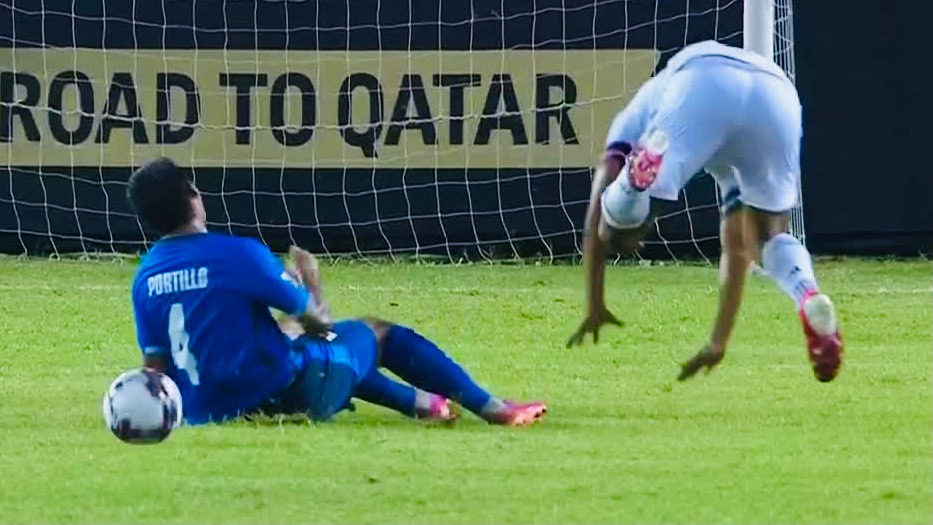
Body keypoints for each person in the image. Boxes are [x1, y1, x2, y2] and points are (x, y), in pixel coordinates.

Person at [127, 157, 547, 426]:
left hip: (204, 411)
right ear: (194, 197)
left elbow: (156, 372)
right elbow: (321, 324)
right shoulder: (237, 254)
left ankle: (421, 403)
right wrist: (311, 284)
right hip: (281, 396)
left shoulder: (145, 277)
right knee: (372, 334)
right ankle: (494, 408)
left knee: (305, 342)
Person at [566, 40, 845, 382]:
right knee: (767, 239)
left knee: (611, 228)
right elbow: (736, 251)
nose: (638, 247)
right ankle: (808, 294)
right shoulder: (730, 167)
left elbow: (595, 214)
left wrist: (594, 301)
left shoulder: (634, 117)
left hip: (702, 81)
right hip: (776, 94)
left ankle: (634, 183)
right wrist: (718, 341)